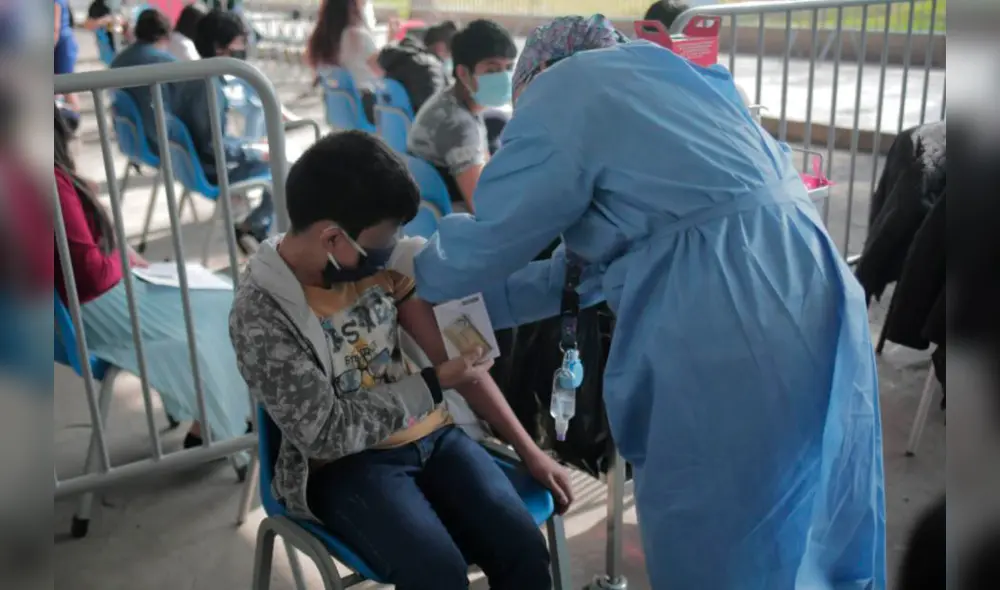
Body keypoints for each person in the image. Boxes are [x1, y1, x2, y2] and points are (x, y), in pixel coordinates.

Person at [413, 15, 885, 589]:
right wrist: (470, 311)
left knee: (723, 526)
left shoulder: (564, 90)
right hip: (813, 281)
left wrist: (411, 271)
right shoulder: (683, 80)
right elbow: (582, 272)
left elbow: (491, 238)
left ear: (531, 79)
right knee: (823, 510)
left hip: (728, 317)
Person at [229, 131, 572, 590]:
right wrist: (432, 383)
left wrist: (530, 452)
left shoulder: (382, 268)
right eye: (385, 235)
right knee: (436, 574)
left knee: (524, 550)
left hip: (436, 438)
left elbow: (458, 363)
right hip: (347, 465)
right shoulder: (261, 315)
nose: (396, 244)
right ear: (333, 237)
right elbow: (327, 433)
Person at [53, 106, 250, 448]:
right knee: (226, 302)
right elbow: (88, 273)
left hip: (73, 309)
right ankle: (221, 426)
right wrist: (120, 257)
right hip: (95, 307)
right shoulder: (47, 181)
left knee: (217, 296)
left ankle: (215, 419)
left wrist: (116, 250)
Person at [174, 9, 272, 252]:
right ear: (220, 47)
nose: (244, 48)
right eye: (239, 41)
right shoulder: (209, 87)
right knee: (284, 165)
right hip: (211, 172)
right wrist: (255, 150)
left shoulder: (194, 76)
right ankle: (255, 225)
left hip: (194, 168)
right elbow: (213, 147)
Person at [407, 19, 516, 212]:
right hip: (458, 221)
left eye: (508, 68)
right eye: (492, 70)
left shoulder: (452, 101)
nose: (504, 78)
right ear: (463, 73)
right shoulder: (458, 126)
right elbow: (484, 207)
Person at [110, 9, 177, 154]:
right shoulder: (166, 63)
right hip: (161, 142)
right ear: (164, 36)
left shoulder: (117, 61)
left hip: (129, 140)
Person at [306, 0, 381, 123]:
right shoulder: (359, 36)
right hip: (364, 108)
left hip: (339, 111)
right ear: (352, 7)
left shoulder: (321, 39)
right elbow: (382, 70)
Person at [376, 21, 455, 114]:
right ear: (440, 47)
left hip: (394, 126)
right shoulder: (430, 69)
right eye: (450, 55)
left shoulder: (399, 60)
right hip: (420, 126)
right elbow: (435, 112)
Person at [54, 0, 79, 109]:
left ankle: (73, 120)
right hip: (59, 45)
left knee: (67, 88)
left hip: (62, 47)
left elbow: (55, 28)